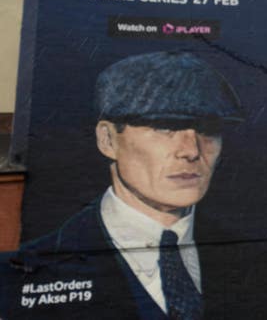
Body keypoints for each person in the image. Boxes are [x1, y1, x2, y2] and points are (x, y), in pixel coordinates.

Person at [0, 51, 243, 320]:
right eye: (165, 127)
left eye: (208, 130)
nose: (191, 150)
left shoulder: (259, 259)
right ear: (107, 140)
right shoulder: (23, 271)